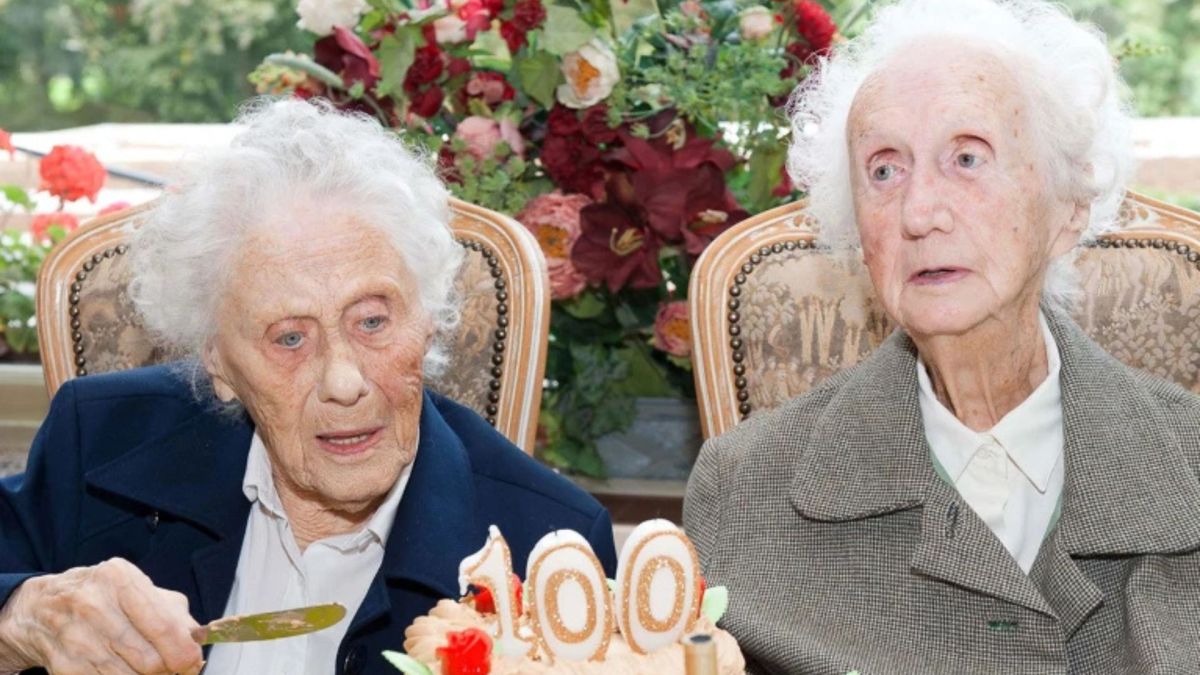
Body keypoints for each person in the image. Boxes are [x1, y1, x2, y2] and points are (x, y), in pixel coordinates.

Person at [0, 99, 617, 675]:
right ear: (217, 361)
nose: (344, 384)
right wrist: (20, 615)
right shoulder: (101, 443)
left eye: (372, 321)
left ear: (427, 321)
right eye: (289, 338)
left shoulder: (545, 547)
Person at [684, 0, 1200, 672]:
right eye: (884, 170)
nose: (920, 213)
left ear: (1070, 206)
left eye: (967, 157)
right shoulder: (745, 489)